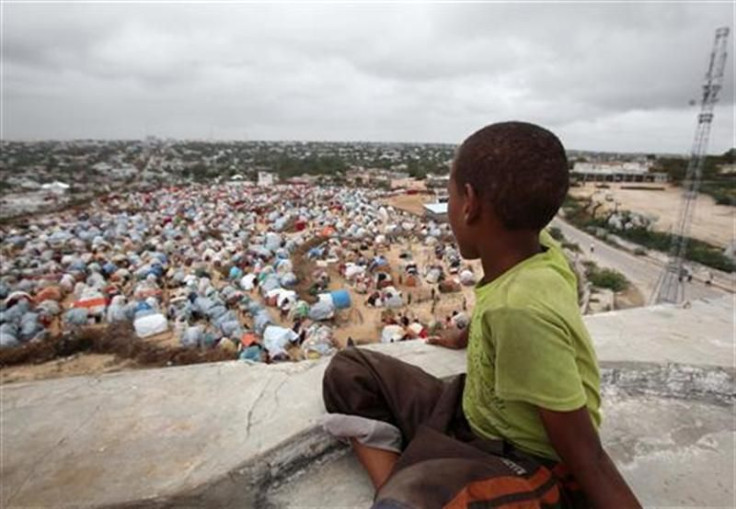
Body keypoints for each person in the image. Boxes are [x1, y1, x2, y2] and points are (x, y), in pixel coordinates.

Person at [322, 122, 640, 508]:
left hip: (524, 459)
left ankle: (414, 484)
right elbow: (502, 305)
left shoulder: (522, 310)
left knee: (403, 502)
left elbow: (588, 456)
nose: (450, 207)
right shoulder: (539, 248)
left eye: (450, 196)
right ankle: (415, 478)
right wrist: (465, 335)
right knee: (349, 370)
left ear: (469, 203)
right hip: (473, 412)